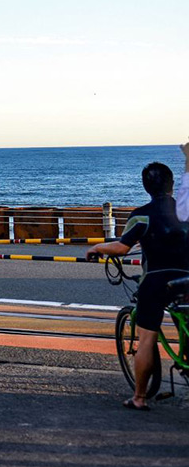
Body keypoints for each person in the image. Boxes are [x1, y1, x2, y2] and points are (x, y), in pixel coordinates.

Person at [88, 158, 189, 411]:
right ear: (171, 185)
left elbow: (122, 248)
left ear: (146, 187)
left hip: (156, 280)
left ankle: (139, 397)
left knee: (146, 340)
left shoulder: (140, 216)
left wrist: (98, 247)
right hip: (186, 279)